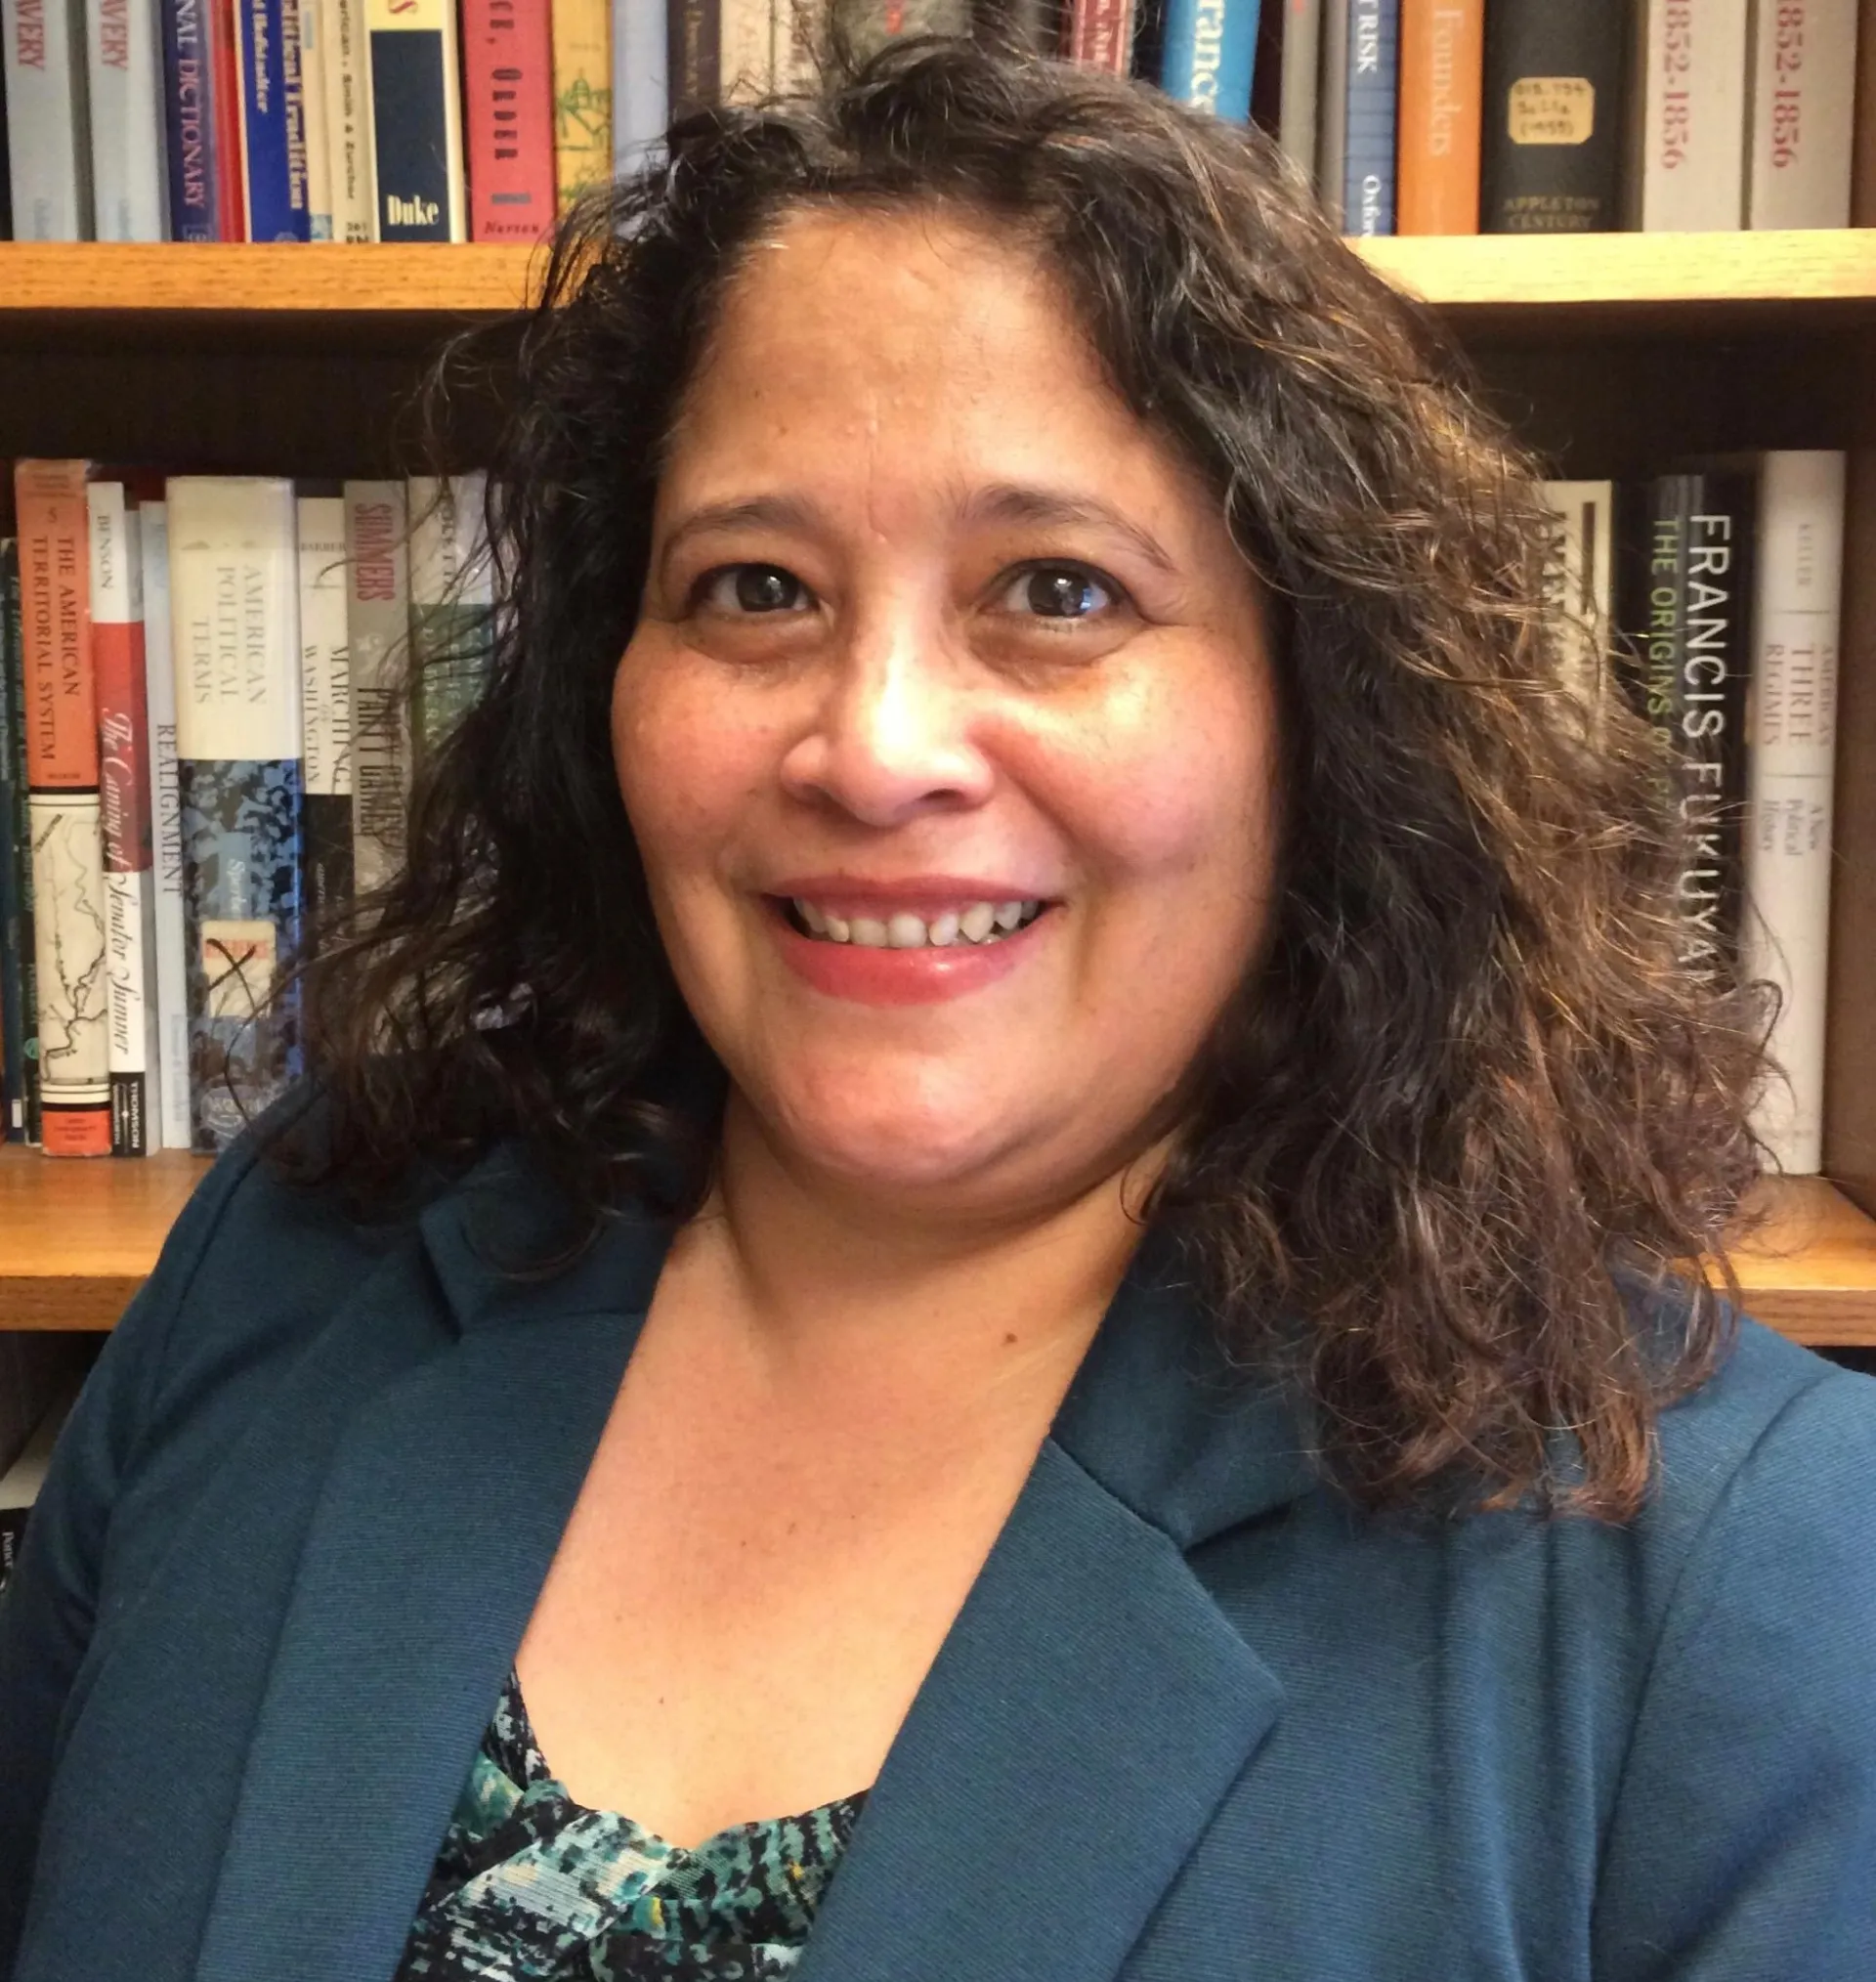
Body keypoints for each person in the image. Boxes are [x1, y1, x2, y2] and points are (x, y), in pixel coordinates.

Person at [4, 39, 1875, 1982]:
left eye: (1058, 590)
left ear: (1324, 717)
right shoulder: (294, 1266)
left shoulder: (1747, 1583)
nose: (875, 746)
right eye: (754, 588)